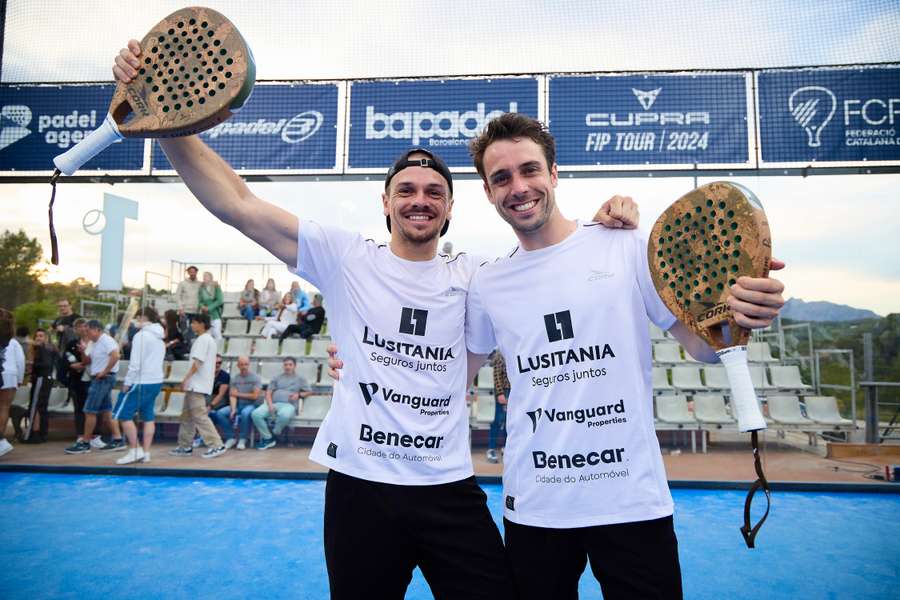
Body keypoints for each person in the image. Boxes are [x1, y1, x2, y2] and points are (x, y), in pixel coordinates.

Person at [114, 40, 640, 598]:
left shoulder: (477, 276)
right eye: (407, 190)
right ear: (385, 202)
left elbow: (549, 272)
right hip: (360, 490)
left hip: (447, 488)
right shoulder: (346, 259)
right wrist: (165, 117)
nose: (421, 199)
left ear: (452, 207)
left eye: (435, 192)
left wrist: (610, 220)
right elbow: (237, 204)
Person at [463, 113, 787, 600]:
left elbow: (702, 345)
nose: (518, 186)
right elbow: (453, 371)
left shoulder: (627, 245)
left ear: (554, 174)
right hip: (537, 506)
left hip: (632, 500)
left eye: (529, 170)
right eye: (501, 177)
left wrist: (742, 318)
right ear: (488, 192)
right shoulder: (488, 282)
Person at [169, 314, 227, 459]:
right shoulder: (207, 340)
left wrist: (186, 378)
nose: (192, 326)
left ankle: (216, 445)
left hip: (196, 385)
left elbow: (198, 362)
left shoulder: (203, 340)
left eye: (194, 323)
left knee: (199, 416)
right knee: (187, 417)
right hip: (195, 385)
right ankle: (185, 446)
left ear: (202, 324)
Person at [112, 307, 165, 464]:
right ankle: (146, 452)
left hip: (141, 381)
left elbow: (135, 363)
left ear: (143, 317)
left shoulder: (141, 336)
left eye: (136, 318)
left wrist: (128, 382)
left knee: (123, 415)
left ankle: (135, 450)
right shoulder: (159, 337)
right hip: (155, 381)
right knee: (148, 417)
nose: (134, 321)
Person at [65, 320, 126, 454]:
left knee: (89, 410)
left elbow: (116, 355)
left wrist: (104, 372)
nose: (86, 333)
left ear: (97, 329)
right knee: (107, 410)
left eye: (88, 331)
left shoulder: (106, 340)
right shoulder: (93, 343)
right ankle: (117, 439)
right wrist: (83, 351)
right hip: (99, 377)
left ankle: (85, 443)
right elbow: (87, 362)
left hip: (103, 378)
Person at [250, 356, 311, 449]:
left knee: (284, 415)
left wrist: (299, 395)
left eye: (290, 365)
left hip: (289, 405)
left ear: (295, 366)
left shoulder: (300, 378)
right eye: (286, 365)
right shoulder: (277, 377)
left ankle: (275, 433)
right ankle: (268, 438)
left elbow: (309, 392)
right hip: (273, 403)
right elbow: (269, 392)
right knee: (255, 414)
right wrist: (269, 404)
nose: (287, 367)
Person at [211, 355, 260, 450]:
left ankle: (243, 439)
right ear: (238, 365)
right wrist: (233, 409)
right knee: (220, 413)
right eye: (241, 364)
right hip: (237, 404)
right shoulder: (234, 378)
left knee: (245, 413)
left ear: (249, 365)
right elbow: (232, 395)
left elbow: (255, 396)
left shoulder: (255, 378)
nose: (244, 366)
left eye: (246, 364)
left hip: (251, 405)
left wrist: (238, 394)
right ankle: (231, 437)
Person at [0, 309, 26, 458]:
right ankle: (1, 440)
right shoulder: (12, 341)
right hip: (10, 374)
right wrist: (19, 379)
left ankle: (1, 441)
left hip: (5, 372)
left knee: (3, 407)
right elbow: (20, 361)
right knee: (4, 407)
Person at [24, 328, 57, 443]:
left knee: (36, 407)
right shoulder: (48, 349)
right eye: (36, 336)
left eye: (41, 336)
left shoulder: (44, 349)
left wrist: (32, 364)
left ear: (46, 338)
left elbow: (46, 365)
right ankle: (41, 433)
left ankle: (35, 434)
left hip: (41, 379)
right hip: (44, 379)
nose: (38, 338)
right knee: (41, 407)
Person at [63, 318, 91, 439]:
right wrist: (72, 366)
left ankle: (95, 434)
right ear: (75, 330)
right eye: (79, 327)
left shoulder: (96, 342)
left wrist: (84, 365)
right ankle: (80, 434)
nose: (83, 329)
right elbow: (65, 360)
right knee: (79, 407)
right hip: (77, 380)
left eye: (85, 326)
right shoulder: (71, 344)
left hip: (93, 379)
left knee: (93, 408)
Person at [195, 354, 230, 448]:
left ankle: (204, 438)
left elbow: (221, 394)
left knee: (210, 414)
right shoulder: (205, 374)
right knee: (197, 412)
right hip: (207, 400)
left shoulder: (225, 376)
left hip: (220, 402)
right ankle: (202, 438)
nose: (218, 364)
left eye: (219, 362)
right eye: (215, 363)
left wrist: (210, 407)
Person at [486, 350, 509, 464]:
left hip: (515, 392)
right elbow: (496, 375)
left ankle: (506, 448)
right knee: (497, 421)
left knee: (509, 422)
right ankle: (491, 449)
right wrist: (500, 393)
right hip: (504, 391)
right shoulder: (501, 353)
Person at [199, 271, 225, 340]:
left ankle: (219, 349)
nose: (204, 278)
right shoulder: (201, 288)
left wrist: (209, 308)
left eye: (206, 276)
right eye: (203, 276)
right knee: (207, 335)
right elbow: (200, 301)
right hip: (205, 315)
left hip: (215, 315)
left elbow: (220, 300)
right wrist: (202, 306)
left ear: (211, 278)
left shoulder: (216, 286)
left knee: (217, 333)